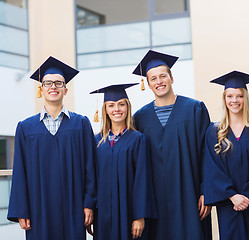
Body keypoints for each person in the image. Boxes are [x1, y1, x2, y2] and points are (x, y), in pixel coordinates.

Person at [7, 56, 96, 240]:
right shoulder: (26, 127)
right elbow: (20, 172)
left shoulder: (81, 124)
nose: (53, 86)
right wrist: (22, 209)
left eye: (58, 83)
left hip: (74, 206)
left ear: (66, 89)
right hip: (39, 208)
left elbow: (91, 167)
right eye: (48, 83)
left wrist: (89, 203)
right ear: (41, 89)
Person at [132, 50, 212, 240]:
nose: (159, 82)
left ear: (171, 78)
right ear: (148, 84)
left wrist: (206, 192)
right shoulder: (140, 118)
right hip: (155, 201)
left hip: (189, 195)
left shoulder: (194, 109)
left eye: (162, 76)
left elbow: (207, 154)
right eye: (153, 78)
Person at [204, 71, 249, 240]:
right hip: (229, 205)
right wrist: (233, 196)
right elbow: (212, 169)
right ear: (224, 99)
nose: (234, 100)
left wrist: (248, 196)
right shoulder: (214, 132)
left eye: (239, 96)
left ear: (246, 99)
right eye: (230, 96)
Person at [89, 83, 156, 240]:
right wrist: (90, 209)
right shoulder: (96, 141)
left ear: (128, 107)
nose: (116, 109)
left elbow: (143, 179)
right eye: (111, 105)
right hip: (103, 214)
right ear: (105, 110)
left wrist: (139, 216)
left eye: (121, 104)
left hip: (129, 213)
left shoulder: (138, 139)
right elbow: (91, 179)